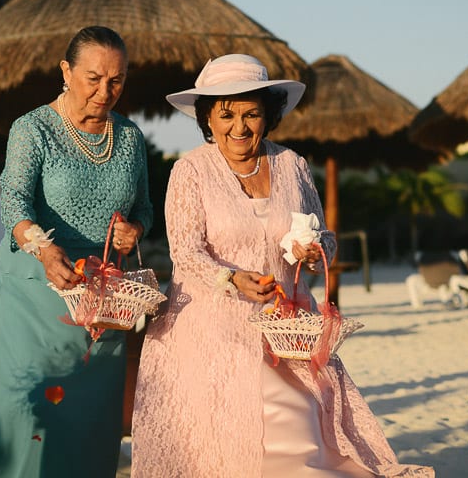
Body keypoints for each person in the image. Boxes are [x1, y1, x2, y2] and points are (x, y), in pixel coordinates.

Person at [131, 54, 434, 477]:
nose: (239, 127)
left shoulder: (293, 166)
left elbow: (324, 236)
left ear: (268, 116)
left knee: (304, 428)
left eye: (251, 114)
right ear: (208, 120)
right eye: (227, 115)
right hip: (211, 328)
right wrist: (232, 278)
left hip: (287, 327)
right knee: (239, 439)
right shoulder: (190, 170)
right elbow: (186, 251)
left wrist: (316, 251)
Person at [0, 26, 153, 477]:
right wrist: (47, 252)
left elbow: (143, 206)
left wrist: (135, 230)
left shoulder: (129, 138)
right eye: (93, 78)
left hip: (100, 302)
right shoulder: (32, 128)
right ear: (66, 71)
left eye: (117, 80)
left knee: (87, 423)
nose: (105, 91)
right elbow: (14, 200)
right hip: (32, 290)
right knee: (24, 416)